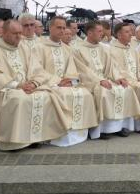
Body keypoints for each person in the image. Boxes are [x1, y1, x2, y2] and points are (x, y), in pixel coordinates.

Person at [0, 20, 70, 151]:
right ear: (3, 32)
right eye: (15, 33)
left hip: (27, 87)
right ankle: (14, 141)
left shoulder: (24, 48)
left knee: (47, 96)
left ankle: (36, 138)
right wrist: (17, 85)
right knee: (19, 99)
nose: (19, 36)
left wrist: (33, 83)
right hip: (6, 89)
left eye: (20, 33)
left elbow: (37, 69)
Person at [71, 21, 140, 139]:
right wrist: (99, 81)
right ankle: (103, 129)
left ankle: (121, 126)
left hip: (107, 79)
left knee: (126, 88)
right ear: (89, 32)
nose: (102, 34)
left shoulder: (104, 48)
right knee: (103, 92)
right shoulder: (77, 49)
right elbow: (83, 70)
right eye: (99, 31)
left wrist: (119, 78)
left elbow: (112, 67)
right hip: (89, 82)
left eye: (102, 31)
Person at [34, 16, 97, 146]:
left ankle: (79, 133)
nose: (62, 30)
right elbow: (37, 70)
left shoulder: (68, 49)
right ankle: (59, 135)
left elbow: (74, 68)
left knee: (85, 93)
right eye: (59, 27)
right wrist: (57, 81)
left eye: (64, 28)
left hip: (66, 83)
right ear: (50, 28)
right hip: (49, 84)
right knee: (62, 94)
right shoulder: (39, 47)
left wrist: (70, 80)